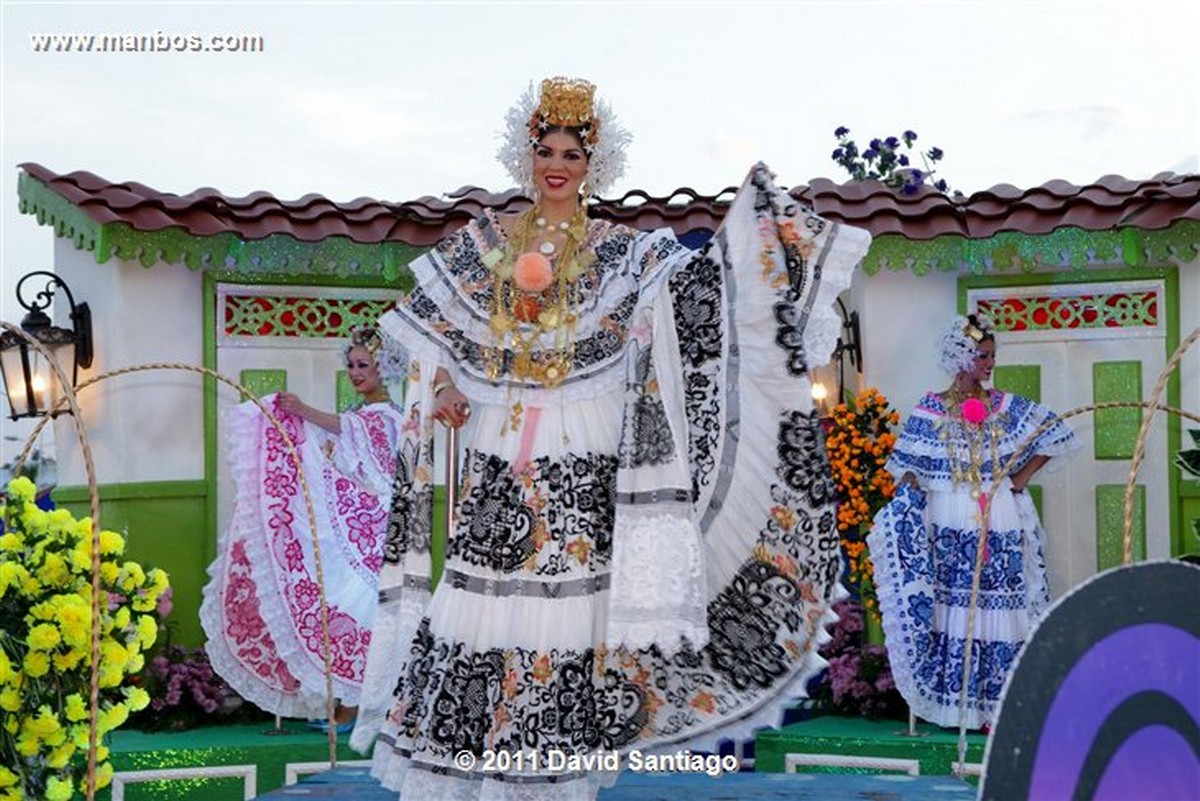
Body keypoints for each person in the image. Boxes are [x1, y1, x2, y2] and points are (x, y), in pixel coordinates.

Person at [355, 77, 873, 800]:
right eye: (547, 150)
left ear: (593, 165)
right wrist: (444, 389)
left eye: (572, 151)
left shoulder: (623, 252)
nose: (557, 163)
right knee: (483, 604)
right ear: (526, 157)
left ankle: (551, 783)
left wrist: (753, 249)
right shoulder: (487, 244)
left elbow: (694, 303)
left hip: (583, 457)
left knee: (567, 619)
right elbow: (433, 341)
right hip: (502, 453)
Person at [866, 314, 1078, 730]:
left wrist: (1019, 479)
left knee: (997, 603)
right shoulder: (931, 408)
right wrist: (909, 504)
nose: (989, 364)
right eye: (982, 355)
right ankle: (960, 707)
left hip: (995, 512)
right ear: (960, 357)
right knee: (953, 606)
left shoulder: (1003, 406)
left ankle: (998, 707)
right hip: (948, 517)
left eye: (992, 356)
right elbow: (908, 469)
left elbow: (1057, 432)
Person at [201, 326, 408, 728]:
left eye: (363, 365)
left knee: (362, 607)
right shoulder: (363, 414)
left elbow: (362, 450)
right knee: (351, 607)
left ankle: (358, 703)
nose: (355, 372)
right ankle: (352, 700)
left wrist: (301, 411)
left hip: (374, 528)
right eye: (350, 365)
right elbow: (346, 452)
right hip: (365, 524)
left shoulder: (386, 417)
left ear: (385, 368)